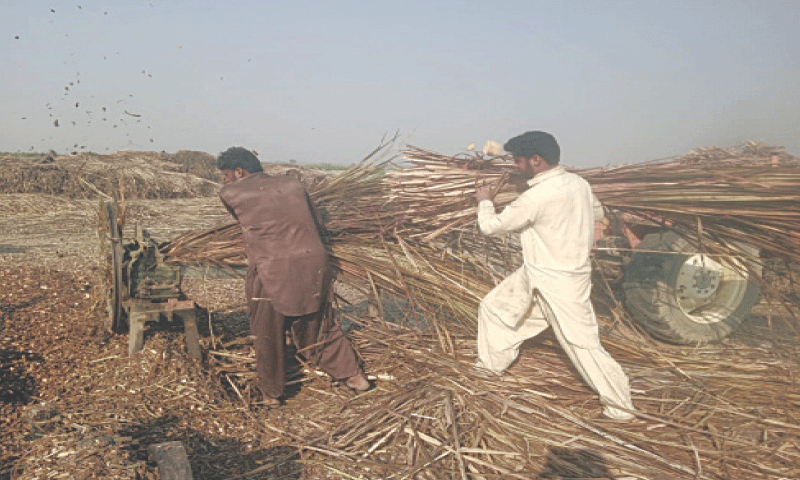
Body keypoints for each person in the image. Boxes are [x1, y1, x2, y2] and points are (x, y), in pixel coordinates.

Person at [474, 131, 635, 420]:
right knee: (494, 307)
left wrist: (485, 200)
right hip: (543, 272)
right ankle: (490, 368)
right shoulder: (579, 184)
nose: (515, 165)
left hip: (558, 280)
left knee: (580, 343)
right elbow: (597, 213)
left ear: (536, 160)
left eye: (518, 160)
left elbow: (491, 227)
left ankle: (620, 406)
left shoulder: (537, 196)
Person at [217, 147, 369, 407]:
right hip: (313, 261)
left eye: (226, 175)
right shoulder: (292, 183)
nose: (225, 181)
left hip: (271, 268)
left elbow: (245, 219)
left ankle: (271, 393)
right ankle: (355, 377)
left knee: (268, 331)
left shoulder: (231, 192)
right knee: (319, 323)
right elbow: (317, 221)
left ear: (239, 172)